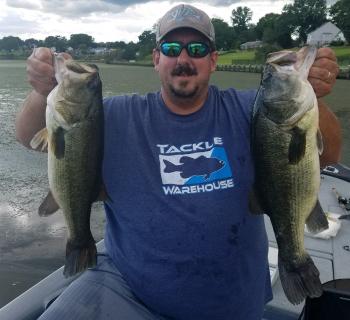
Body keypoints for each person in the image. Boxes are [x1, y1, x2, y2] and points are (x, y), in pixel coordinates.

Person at [15, 4, 341, 320]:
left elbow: (327, 155)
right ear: (157, 58)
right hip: (127, 285)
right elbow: (30, 136)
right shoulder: (116, 114)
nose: (183, 59)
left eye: (197, 49)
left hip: (230, 299)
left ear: (213, 60)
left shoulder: (253, 110)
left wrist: (314, 94)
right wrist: (44, 92)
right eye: (171, 48)